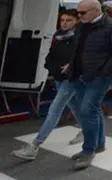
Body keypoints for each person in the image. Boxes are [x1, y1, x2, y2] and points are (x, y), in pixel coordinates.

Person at [12, 10, 84, 160]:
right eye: (62, 19)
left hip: (71, 78)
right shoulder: (58, 35)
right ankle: (85, 130)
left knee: (54, 110)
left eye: (68, 20)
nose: (64, 22)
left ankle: (34, 146)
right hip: (58, 76)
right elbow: (50, 56)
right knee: (74, 106)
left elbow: (82, 57)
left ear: (76, 21)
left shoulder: (80, 37)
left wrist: (71, 65)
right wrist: (52, 68)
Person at [68, 0, 112, 170]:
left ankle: (88, 150)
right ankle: (99, 144)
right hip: (79, 74)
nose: (79, 16)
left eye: (82, 13)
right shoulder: (82, 26)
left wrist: (104, 70)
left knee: (88, 110)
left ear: (96, 10)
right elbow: (77, 49)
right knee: (90, 109)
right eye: (78, 12)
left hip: (100, 76)